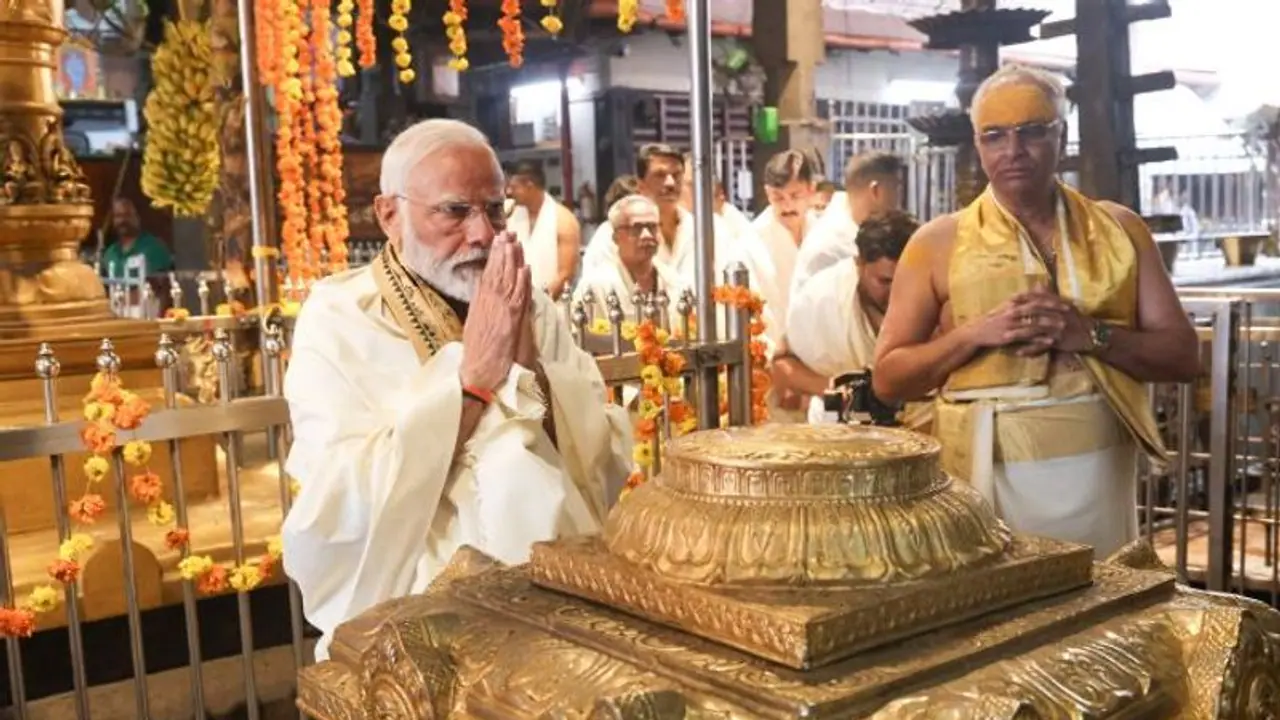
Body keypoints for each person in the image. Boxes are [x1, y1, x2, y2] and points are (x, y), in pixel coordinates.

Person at [280, 119, 632, 659]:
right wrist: (471, 382)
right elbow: (338, 498)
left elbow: (595, 454)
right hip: (416, 599)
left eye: (495, 209)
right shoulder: (339, 318)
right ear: (389, 214)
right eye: (454, 211)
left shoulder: (529, 302)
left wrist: (530, 367)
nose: (482, 235)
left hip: (560, 588)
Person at [871, 65, 1199, 558]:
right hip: (985, 476)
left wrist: (1089, 334)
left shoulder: (1119, 230)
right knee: (999, 620)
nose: (1013, 151)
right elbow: (888, 379)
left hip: (1098, 470)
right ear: (978, 145)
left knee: (1102, 614)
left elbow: (1183, 356)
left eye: (1031, 132)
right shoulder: (937, 243)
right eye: (995, 136)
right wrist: (974, 335)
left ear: (1061, 136)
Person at [776, 210, 917, 416]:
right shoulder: (821, 298)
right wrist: (831, 388)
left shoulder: (934, 292)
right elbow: (781, 362)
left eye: (905, 279)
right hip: (837, 431)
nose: (896, 291)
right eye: (885, 281)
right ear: (859, 265)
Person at [790, 152, 904, 300]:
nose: (899, 202)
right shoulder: (830, 246)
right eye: (896, 189)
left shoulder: (853, 232)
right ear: (876, 191)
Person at [739, 149, 819, 349]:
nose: (787, 205)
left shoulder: (824, 233)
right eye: (778, 197)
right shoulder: (750, 244)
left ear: (811, 190)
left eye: (795, 195)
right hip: (775, 356)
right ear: (767, 193)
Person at [574, 194, 685, 324]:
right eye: (636, 228)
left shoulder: (674, 282)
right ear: (615, 237)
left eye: (652, 227)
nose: (646, 235)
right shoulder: (595, 285)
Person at [506, 161, 581, 298]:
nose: (509, 192)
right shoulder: (510, 216)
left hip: (553, 307)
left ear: (529, 185)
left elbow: (566, 273)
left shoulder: (564, 220)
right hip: (515, 304)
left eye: (514, 187)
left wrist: (541, 305)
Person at [100, 197, 174, 278]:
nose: (122, 220)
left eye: (127, 215)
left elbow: (156, 285)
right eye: (118, 216)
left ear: (138, 217)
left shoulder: (155, 248)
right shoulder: (110, 253)